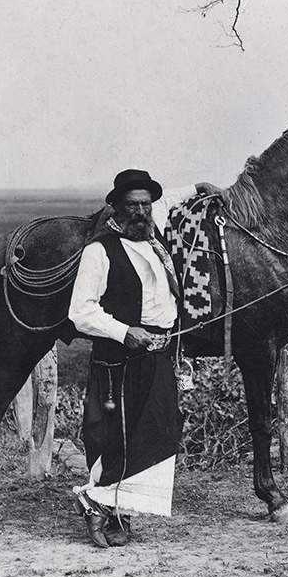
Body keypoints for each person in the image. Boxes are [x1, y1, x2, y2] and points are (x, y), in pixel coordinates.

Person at [69, 169, 219, 548]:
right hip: (120, 361)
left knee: (155, 436)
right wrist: (124, 331)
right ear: (117, 208)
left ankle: (121, 514)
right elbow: (80, 311)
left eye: (146, 205)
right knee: (115, 439)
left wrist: (199, 187)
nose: (141, 212)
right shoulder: (99, 251)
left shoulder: (152, 232)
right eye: (132, 205)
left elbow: (170, 199)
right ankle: (96, 506)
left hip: (159, 357)